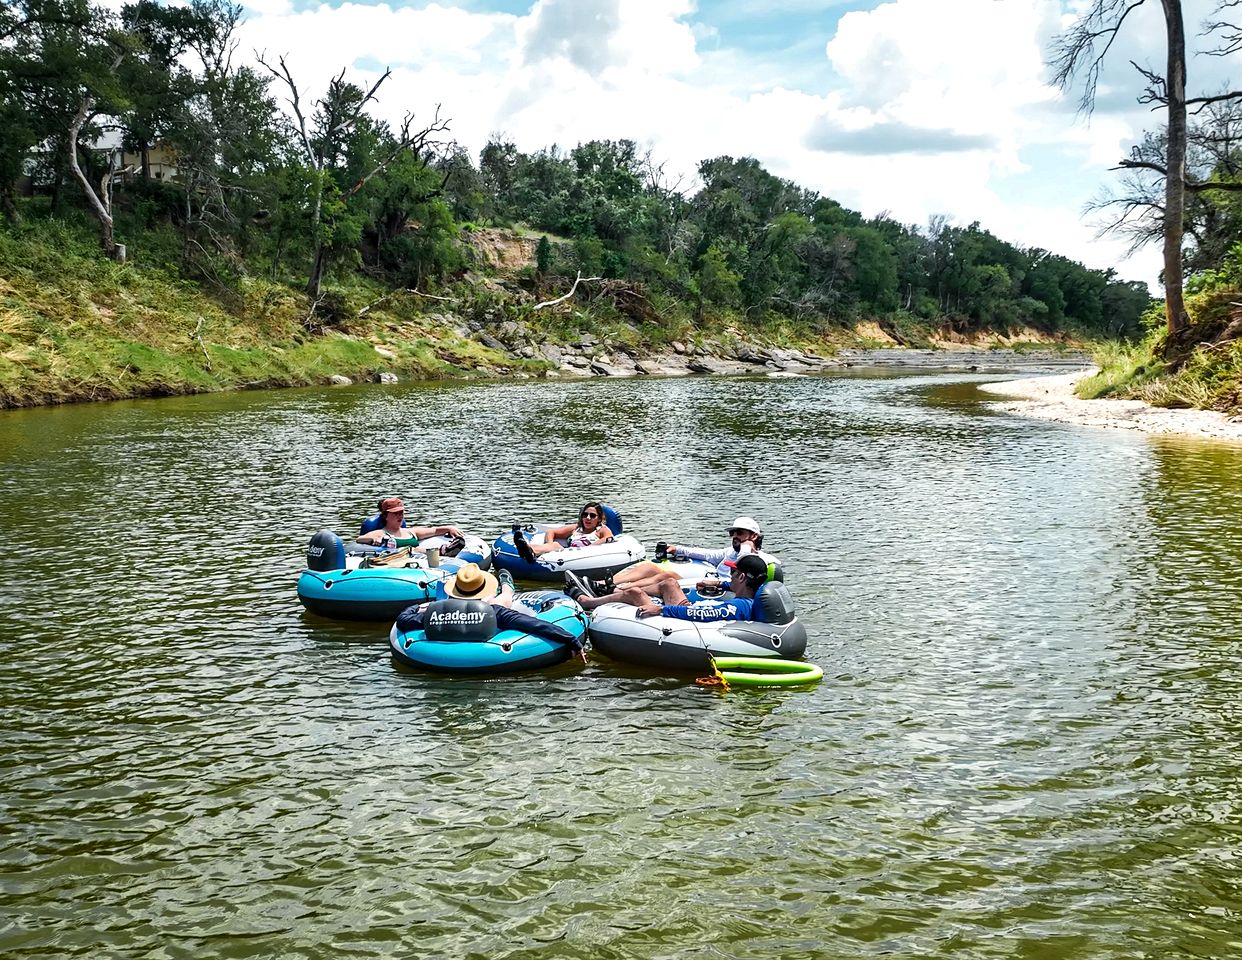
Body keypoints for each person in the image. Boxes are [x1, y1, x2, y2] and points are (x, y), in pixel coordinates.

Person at [395, 562, 587, 662]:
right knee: (502, 600)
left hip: (439, 640)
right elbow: (535, 625)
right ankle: (507, 587)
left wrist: (421, 607)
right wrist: (572, 640)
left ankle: (496, 590)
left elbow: (403, 620)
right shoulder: (495, 612)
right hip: (491, 612)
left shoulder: (434, 614)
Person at [584, 516, 767, 597]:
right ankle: (603, 583)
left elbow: (744, 565)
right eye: (733, 533)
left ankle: (615, 589)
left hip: (722, 589)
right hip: (710, 580)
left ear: (753, 536)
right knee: (649, 567)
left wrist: (747, 545)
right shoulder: (730, 551)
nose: (735, 536)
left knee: (666, 576)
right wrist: (677, 549)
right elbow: (707, 553)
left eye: (740, 533)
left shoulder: (754, 558)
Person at [566, 553, 769, 623]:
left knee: (636, 594)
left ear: (742, 577)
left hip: (688, 622)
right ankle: (607, 590)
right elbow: (730, 586)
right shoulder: (747, 594)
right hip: (687, 610)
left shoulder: (738, 606)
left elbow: (702, 614)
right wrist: (719, 583)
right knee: (669, 583)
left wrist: (661, 609)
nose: (730, 575)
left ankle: (587, 602)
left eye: (733, 573)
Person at [512, 501, 615, 562]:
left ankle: (529, 551)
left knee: (554, 546)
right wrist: (550, 543)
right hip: (566, 554)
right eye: (585, 515)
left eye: (592, 516)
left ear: (599, 518)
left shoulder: (601, 530)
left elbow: (609, 538)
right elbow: (551, 532)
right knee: (555, 545)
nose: (587, 518)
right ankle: (526, 549)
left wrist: (591, 546)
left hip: (584, 557)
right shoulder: (576, 528)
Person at [356, 497, 464, 548]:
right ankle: (443, 551)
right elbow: (359, 539)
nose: (400, 516)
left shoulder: (412, 532)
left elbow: (434, 530)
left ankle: (444, 552)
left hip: (420, 562)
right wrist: (373, 539)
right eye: (395, 513)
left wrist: (450, 528)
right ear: (385, 516)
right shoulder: (381, 533)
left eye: (401, 512)